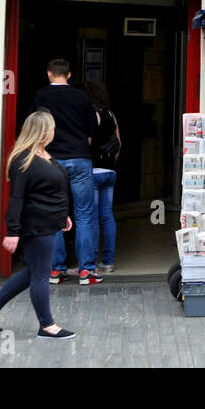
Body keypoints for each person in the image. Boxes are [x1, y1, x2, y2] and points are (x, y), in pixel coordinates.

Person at [0, 111, 77, 340]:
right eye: (52, 128)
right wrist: (12, 231)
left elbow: (52, 189)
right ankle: (47, 325)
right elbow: (17, 198)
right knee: (41, 274)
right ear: (44, 131)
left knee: (34, 271)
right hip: (37, 225)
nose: (54, 132)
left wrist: (64, 215)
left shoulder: (42, 154)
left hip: (50, 222)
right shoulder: (23, 160)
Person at [31, 59, 101, 285]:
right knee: (85, 215)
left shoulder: (41, 96)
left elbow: (32, 128)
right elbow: (93, 128)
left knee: (53, 214)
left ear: (49, 74)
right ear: (69, 75)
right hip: (80, 158)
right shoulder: (81, 96)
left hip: (51, 160)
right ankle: (86, 271)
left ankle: (56, 270)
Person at [86, 81, 120, 274]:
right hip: (110, 172)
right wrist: (111, 163)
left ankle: (90, 262)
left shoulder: (93, 115)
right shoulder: (111, 115)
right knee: (107, 217)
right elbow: (119, 143)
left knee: (90, 218)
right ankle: (108, 262)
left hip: (93, 171)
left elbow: (88, 142)